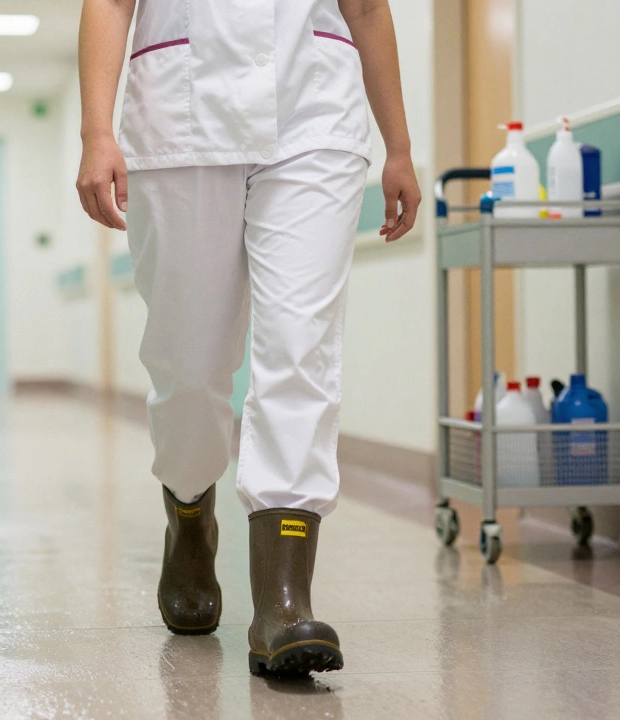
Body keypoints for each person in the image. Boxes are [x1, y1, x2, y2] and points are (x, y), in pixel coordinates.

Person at [76, 0, 421, 676]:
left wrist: (400, 146)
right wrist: (96, 131)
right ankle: (189, 510)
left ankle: (282, 598)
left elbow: (366, 7)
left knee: (301, 345)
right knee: (190, 368)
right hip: (180, 114)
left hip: (314, 113)